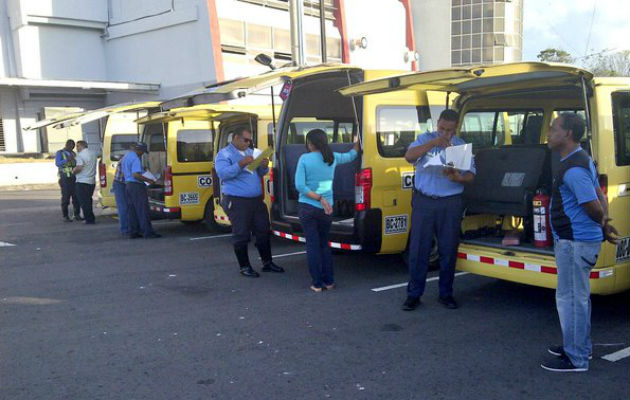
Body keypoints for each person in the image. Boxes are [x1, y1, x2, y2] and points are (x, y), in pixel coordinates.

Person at [541, 113, 618, 373]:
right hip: (577, 242)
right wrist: (604, 224)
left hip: (575, 244)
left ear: (569, 134)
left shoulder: (573, 169)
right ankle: (577, 346)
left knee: (572, 299)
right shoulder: (581, 159)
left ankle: (577, 358)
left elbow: (592, 205)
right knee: (576, 298)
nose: (549, 133)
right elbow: (599, 193)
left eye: (554, 129)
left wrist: (602, 221)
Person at [402, 109, 475, 311]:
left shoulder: (460, 146)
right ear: (437, 124)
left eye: (449, 130)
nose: (445, 133)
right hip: (424, 201)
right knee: (418, 250)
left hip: (450, 202)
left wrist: (458, 177)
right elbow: (409, 156)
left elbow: (470, 176)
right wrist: (434, 143)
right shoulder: (424, 139)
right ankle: (414, 295)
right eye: (442, 128)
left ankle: (446, 293)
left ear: (456, 128)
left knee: (448, 249)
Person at [295, 129, 359, 292]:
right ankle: (329, 281)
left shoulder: (304, 159)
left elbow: (300, 186)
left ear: (310, 143)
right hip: (327, 209)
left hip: (308, 207)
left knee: (313, 245)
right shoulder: (332, 157)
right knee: (324, 244)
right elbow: (352, 155)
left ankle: (317, 284)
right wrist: (359, 141)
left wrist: (317, 198)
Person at [215, 127, 283, 277]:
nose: (247, 143)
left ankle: (267, 263)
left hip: (256, 200)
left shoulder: (251, 152)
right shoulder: (224, 154)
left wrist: (263, 166)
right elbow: (223, 174)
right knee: (241, 233)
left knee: (263, 230)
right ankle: (244, 266)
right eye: (245, 140)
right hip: (237, 200)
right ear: (235, 138)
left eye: (249, 141)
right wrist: (240, 164)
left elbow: (258, 172)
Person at [121, 142, 161, 239]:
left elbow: (125, 172)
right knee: (142, 210)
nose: (142, 154)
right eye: (142, 152)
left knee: (132, 210)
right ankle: (148, 232)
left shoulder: (126, 156)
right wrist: (149, 180)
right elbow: (136, 175)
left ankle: (133, 232)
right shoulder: (135, 158)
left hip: (128, 185)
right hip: (136, 186)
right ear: (140, 150)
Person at [54, 139, 81, 222]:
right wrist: (67, 159)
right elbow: (57, 163)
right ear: (67, 145)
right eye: (71, 146)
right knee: (66, 197)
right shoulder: (60, 153)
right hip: (65, 178)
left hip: (74, 178)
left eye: (73, 147)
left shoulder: (73, 153)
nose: (72, 148)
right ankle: (65, 216)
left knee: (76, 197)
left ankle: (77, 215)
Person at [72, 140, 98, 225]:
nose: (76, 148)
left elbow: (79, 167)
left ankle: (89, 219)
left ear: (81, 146)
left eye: (77, 146)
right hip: (91, 181)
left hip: (82, 181)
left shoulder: (79, 156)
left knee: (83, 201)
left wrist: (73, 171)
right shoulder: (93, 153)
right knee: (88, 200)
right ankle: (91, 217)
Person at [113, 144, 134, 237]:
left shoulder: (128, 156)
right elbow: (132, 174)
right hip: (120, 184)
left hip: (121, 183)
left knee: (127, 207)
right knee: (123, 207)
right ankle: (126, 230)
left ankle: (128, 228)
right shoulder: (129, 158)